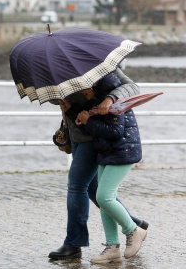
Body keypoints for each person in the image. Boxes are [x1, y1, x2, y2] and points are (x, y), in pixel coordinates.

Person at [48, 68, 148, 260]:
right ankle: (126, 231)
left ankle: (74, 243)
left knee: (77, 186)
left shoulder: (100, 65)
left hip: (95, 136)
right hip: (77, 132)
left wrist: (109, 98)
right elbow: (53, 97)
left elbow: (131, 87)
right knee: (96, 189)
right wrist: (61, 101)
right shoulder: (58, 66)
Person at [76, 72, 147, 263]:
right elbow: (96, 127)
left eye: (84, 90)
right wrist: (80, 117)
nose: (83, 93)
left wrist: (89, 121)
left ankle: (133, 230)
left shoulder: (114, 104)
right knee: (105, 201)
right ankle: (112, 248)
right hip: (107, 154)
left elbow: (115, 132)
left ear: (95, 86)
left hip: (123, 153)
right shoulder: (98, 103)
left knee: (103, 197)